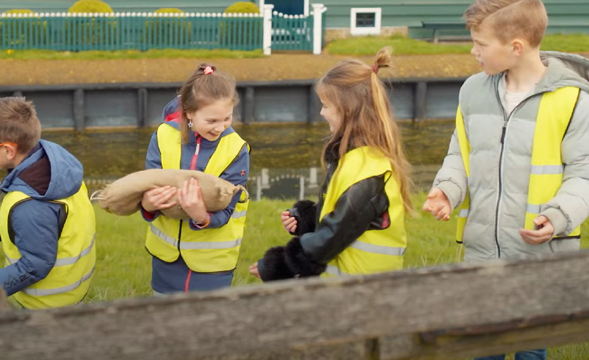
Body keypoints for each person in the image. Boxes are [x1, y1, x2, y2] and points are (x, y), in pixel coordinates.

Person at [422, 0, 589, 359]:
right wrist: (447, 190)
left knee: (529, 350)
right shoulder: (472, 92)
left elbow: (587, 176)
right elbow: (460, 155)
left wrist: (557, 217)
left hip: (539, 256)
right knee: (481, 346)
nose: (473, 51)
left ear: (516, 47)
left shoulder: (572, 101)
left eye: (480, 44)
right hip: (481, 255)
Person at [249, 47, 413, 281]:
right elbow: (348, 217)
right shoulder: (357, 160)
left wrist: (280, 265)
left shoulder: (366, 172)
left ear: (347, 110)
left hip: (361, 288)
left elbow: (334, 234)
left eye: (326, 105)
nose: (322, 112)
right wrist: (308, 218)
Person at [0, 97, 96, 309]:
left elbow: (35, 265)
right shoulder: (56, 167)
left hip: (47, 302)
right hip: (73, 286)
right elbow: (51, 224)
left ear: (9, 150)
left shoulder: (31, 203)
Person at [141, 63, 250, 294]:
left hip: (212, 263)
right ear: (189, 112)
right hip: (166, 258)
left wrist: (201, 216)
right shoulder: (162, 136)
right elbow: (146, 188)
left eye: (227, 118)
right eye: (211, 121)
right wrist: (148, 206)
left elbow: (229, 210)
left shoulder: (237, 149)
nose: (220, 127)